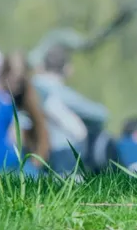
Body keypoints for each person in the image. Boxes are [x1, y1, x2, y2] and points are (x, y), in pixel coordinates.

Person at [31, 45, 100, 174]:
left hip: (33, 149)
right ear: (68, 69)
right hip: (63, 150)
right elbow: (99, 114)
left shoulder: (30, 85)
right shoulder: (60, 92)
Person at [2, 51, 50, 171]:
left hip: (26, 157)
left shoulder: (31, 98)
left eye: (19, 81)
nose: (15, 84)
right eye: (11, 76)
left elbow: (42, 131)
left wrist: (37, 160)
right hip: (3, 157)